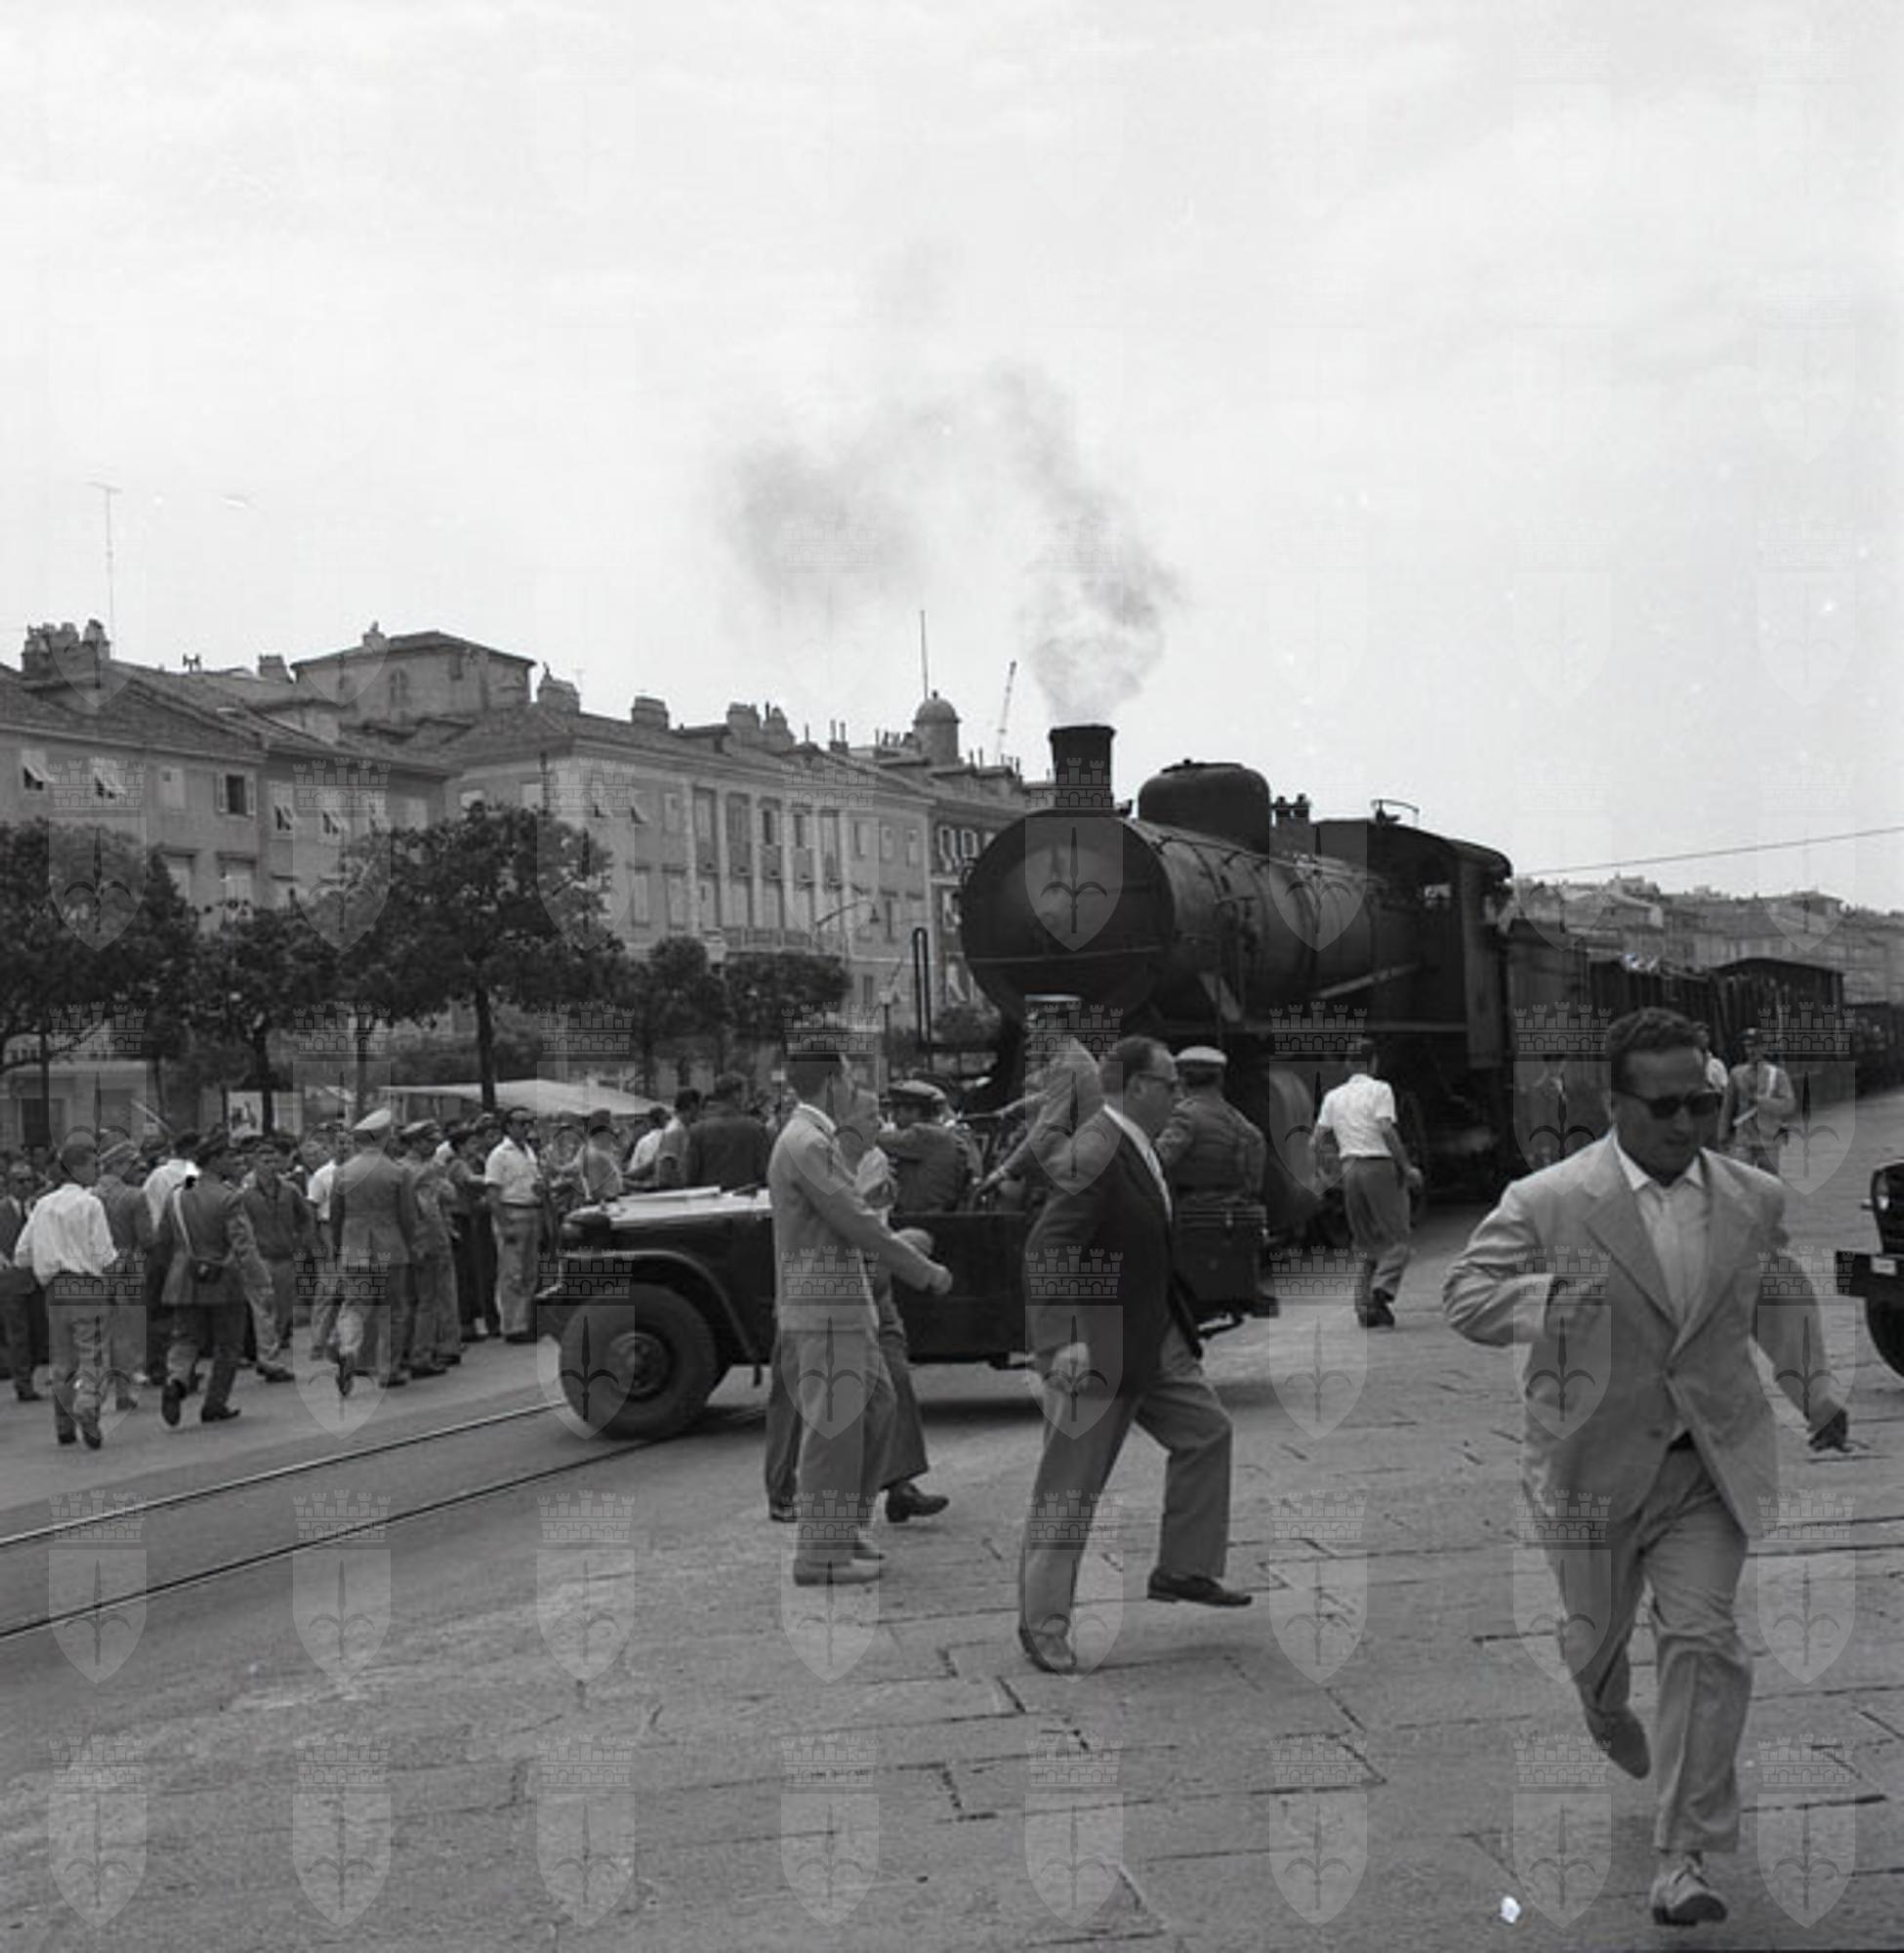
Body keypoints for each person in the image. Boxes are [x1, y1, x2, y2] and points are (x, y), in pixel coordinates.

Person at [1444, 1007, 1851, 1930]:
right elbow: (1464, 1293)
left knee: (1705, 1642)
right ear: (1616, 1104)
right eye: (1664, 1106)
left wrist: (1815, 1391)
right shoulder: (1547, 1199)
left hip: (1706, 1460)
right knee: (1596, 1645)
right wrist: (1550, 1296)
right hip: (1589, 1470)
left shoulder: (1752, 1196)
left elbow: (1777, 1295)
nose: (1686, 1123)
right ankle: (1602, 1706)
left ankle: (1683, 1858)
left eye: (1700, 1103)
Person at [1017, 1036, 1250, 1677]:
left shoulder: (1135, 1145)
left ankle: (1185, 1567)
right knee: (1070, 1488)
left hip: (1149, 1336)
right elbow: (1046, 1246)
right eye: (1171, 1084)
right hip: (1096, 1346)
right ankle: (1043, 1623)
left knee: (1206, 1431)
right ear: (1138, 1086)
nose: (1179, 1095)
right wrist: (1057, 1341)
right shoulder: (1098, 1148)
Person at [767, 1039, 953, 1586]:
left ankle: (844, 1528)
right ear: (832, 1083)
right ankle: (820, 1555)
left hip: (843, 1306)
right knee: (835, 1428)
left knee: (877, 1409)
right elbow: (856, 1220)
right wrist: (922, 1269)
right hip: (824, 1308)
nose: (854, 1089)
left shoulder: (815, 1140)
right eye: (849, 1079)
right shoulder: (807, 1142)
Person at [156, 1133, 271, 1428]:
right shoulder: (229, 1197)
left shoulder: (177, 1194)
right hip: (224, 1278)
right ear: (214, 1160)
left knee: (185, 1337)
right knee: (228, 1344)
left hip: (184, 1278)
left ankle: (176, 1380)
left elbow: (164, 1240)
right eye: (230, 1157)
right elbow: (244, 1246)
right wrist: (262, 1283)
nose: (236, 1162)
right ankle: (215, 1403)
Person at [16, 1134, 118, 1448]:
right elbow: (104, 1253)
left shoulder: (43, 1205)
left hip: (54, 1289)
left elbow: (22, 1253)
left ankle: (63, 1425)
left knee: (62, 1359)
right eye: (94, 1165)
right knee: (93, 1355)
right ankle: (87, 1406)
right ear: (78, 1167)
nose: (98, 1171)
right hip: (87, 1286)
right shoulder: (90, 1204)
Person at [1313, 1039, 1417, 1328]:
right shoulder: (1380, 1089)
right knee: (1399, 1240)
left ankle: (1365, 1310)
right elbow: (1385, 1128)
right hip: (1378, 1167)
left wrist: (1329, 1173)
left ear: (1348, 1064)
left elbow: (1315, 1140)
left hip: (1350, 1170)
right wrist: (1406, 1167)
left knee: (1365, 1244)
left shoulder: (1333, 1097)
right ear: (1374, 1063)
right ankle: (1379, 1290)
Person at [977, 996, 1104, 1205]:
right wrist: (1013, 1108)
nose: (1031, 1036)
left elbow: (1048, 1129)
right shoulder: (1069, 1056)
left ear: (1054, 1026)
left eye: (1036, 1028)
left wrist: (1004, 1171)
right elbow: (1051, 1096)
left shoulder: (1069, 1065)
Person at [331, 1107, 417, 1392]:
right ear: (384, 1137)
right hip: (390, 1247)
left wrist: (338, 1247)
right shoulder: (398, 1172)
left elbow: (336, 1215)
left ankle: (348, 1350)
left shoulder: (343, 1172)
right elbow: (407, 1216)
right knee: (393, 1309)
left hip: (354, 1248)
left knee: (355, 1305)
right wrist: (410, 1244)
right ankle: (389, 1369)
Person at [238, 1139, 314, 1382]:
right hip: (260, 1258)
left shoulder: (290, 1191)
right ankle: (268, 1358)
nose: (270, 1166)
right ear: (254, 1164)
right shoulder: (245, 1195)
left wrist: (302, 1243)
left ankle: (272, 1349)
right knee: (263, 1310)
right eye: (265, 1161)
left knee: (282, 1310)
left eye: (274, 1161)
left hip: (286, 1257)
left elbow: (306, 1218)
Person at [1155, 1046, 1267, 1210]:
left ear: (1182, 1080)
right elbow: (1254, 1182)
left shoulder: (1183, 1116)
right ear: (1220, 1080)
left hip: (1190, 1210)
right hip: (1233, 1211)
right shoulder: (1240, 1121)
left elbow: (1158, 1162)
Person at [94, 1140, 151, 1412]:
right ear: (118, 1166)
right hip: (129, 1264)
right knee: (126, 1330)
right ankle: (124, 1389)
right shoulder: (134, 1196)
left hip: (94, 1268)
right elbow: (147, 1238)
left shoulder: (89, 1196)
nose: (136, 1170)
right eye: (131, 1164)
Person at [485, 1106, 547, 1344]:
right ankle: (513, 1326)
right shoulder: (500, 1155)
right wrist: (504, 1225)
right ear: (509, 1126)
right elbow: (493, 1194)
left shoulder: (529, 1152)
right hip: (511, 1212)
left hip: (532, 1210)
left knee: (530, 1272)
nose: (526, 1128)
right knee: (512, 1273)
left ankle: (526, 1321)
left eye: (529, 1123)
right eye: (521, 1123)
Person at [400, 1121, 457, 1375]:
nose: (434, 1147)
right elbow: (427, 1211)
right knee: (428, 1301)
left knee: (411, 1300)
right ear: (416, 1143)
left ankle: (407, 1350)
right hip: (427, 1241)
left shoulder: (404, 1168)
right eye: (429, 1142)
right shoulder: (423, 1171)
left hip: (410, 1242)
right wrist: (426, 1242)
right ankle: (421, 1354)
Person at [877, 1080, 973, 1212]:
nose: (894, 1119)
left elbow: (876, 1140)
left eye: (897, 1111)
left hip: (921, 1215)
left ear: (914, 1111)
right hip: (936, 1213)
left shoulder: (923, 1135)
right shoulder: (942, 1134)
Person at [1720, 1028, 1797, 1176]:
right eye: (1747, 1046)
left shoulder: (1777, 1075)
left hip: (1769, 1139)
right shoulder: (1737, 1073)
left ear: (1763, 1048)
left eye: (1755, 1046)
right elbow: (1727, 1106)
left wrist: (1760, 1101)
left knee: (1768, 1182)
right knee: (1741, 1179)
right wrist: (1722, 1133)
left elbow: (1788, 1105)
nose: (1751, 1051)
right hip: (1743, 1139)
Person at [0, 1155, 45, 1404]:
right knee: (18, 1334)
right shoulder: (2, 1211)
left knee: (39, 1333)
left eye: (29, 1180)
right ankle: (23, 1383)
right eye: (20, 1181)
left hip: (39, 1279)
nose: (26, 1185)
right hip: (11, 1282)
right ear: (8, 1184)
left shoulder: (41, 1208)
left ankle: (29, 1370)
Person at [683, 1075, 770, 1191]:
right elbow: (764, 1172)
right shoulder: (756, 1128)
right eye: (745, 1094)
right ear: (737, 1095)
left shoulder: (697, 1130)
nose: (747, 1099)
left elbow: (691, 1175)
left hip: (709, 1199)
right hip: (746, 1198)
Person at [652, 1090, 702, 1190]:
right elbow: (666, 1166)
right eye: (699, 1107)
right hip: (674, 1191)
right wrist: (680, 1189)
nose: (700, 1112)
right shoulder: (675, 1131)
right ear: (693, 1106)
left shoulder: (681, 1128)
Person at [1693, 1023, 1728, 1099]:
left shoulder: (1717, 1064)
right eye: (1698, 1038)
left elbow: (1725, 1089)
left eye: (1704, 1037)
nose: (1702, 1040)